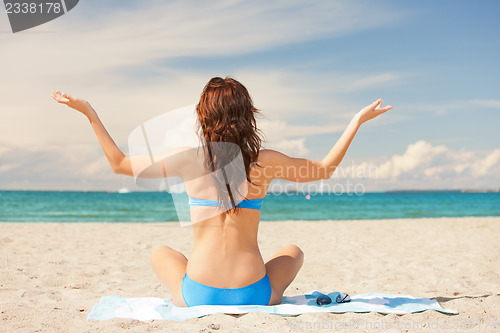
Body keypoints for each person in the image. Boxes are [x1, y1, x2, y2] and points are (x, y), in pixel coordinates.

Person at [52, 76, 392, 307]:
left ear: (203, 115)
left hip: (197, 293)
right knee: (294, 251)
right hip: (255, 293)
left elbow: (120, 164)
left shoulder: (189, 160)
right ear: (247, 115)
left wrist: (90, 114)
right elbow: (325, 169)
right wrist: (356, 122)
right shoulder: (266, 162)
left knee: (162, 253)